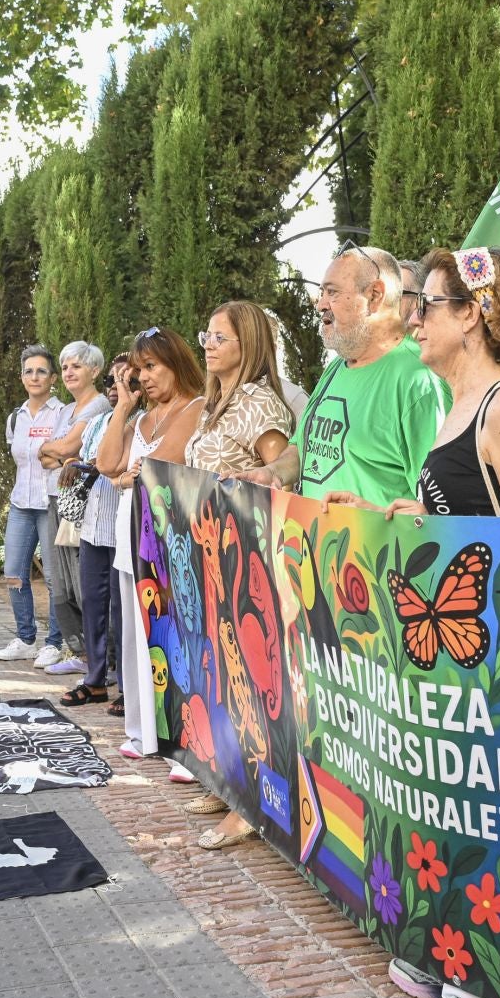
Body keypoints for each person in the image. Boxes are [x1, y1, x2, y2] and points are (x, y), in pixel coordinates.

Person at [327, 247, 500, 998]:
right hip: (454, 663)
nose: (413, 317)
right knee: (451, 807)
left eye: (428, 304)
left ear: (474, 314)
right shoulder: (458, 405)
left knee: (491, 820)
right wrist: (400, 511)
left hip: (495, 664)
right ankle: (454, 960)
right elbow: (467, 519)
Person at [180, 301, 297, 849]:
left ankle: (251, 803)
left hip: (245, 558)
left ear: (246, 344)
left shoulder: (257, 402)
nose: (208, 344)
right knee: (220, 676)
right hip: (211, 555)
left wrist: (254, 479)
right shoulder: (215, 403)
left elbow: (283, 473)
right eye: (206, 335)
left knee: (247, 680)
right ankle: (227, 782)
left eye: (220, 337)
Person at [246, 245, 449, 496]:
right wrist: (273, 473)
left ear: (374, 295)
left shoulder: (419, 380)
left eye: (332, 292)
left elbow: (436, 502)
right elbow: (302, 448)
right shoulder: (336, 367)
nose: (320, 305)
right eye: (322, 293)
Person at [98, 328, 205, 759]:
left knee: (175, 639)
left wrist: (130, 477)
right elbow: (107, 464)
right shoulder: (141, 419)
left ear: (175, 363)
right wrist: (123, 407)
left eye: (151, 366)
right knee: (137, 639)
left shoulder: (197, 407)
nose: (143, 377)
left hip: (172, 544)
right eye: (138, 370)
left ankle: (185, 740)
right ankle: (144, 730)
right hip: (132, 541)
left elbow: (160, 465)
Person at [37, 342, 111, 675]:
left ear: (95, 371)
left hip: (80, 504)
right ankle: (81, 652)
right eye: (65, 366)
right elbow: (45, 457)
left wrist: (57, 451)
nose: (68, 372)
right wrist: (59, 454)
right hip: (57, 497)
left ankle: (99, 656)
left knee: (82, 581)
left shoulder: (97, 405)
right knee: (60, 580)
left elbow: (67, 447)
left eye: (76, 366)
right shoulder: (67, 410)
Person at [63, 355, 132, 708]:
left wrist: (95, 465)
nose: (116, 388)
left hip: (124, 529)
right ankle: (95, 680)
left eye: (126, 380)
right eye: (111, 381)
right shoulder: (96, 422)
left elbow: (116, 465)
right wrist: (72, 464)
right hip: (93, 526)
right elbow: (87, 458)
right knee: (92, 603)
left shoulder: (140, 422)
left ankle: (127, 687)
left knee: (122, 610)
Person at [0, 345, 67, 662]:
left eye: (41, 371)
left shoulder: (63, 414)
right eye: (29, 371)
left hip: (50, 504)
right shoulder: (16, 418)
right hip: (21, 505)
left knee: (53, 578)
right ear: (22, 377)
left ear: (53, 378)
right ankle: (25, 638)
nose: (34, 377)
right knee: (14, 573)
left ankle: (54, 642)